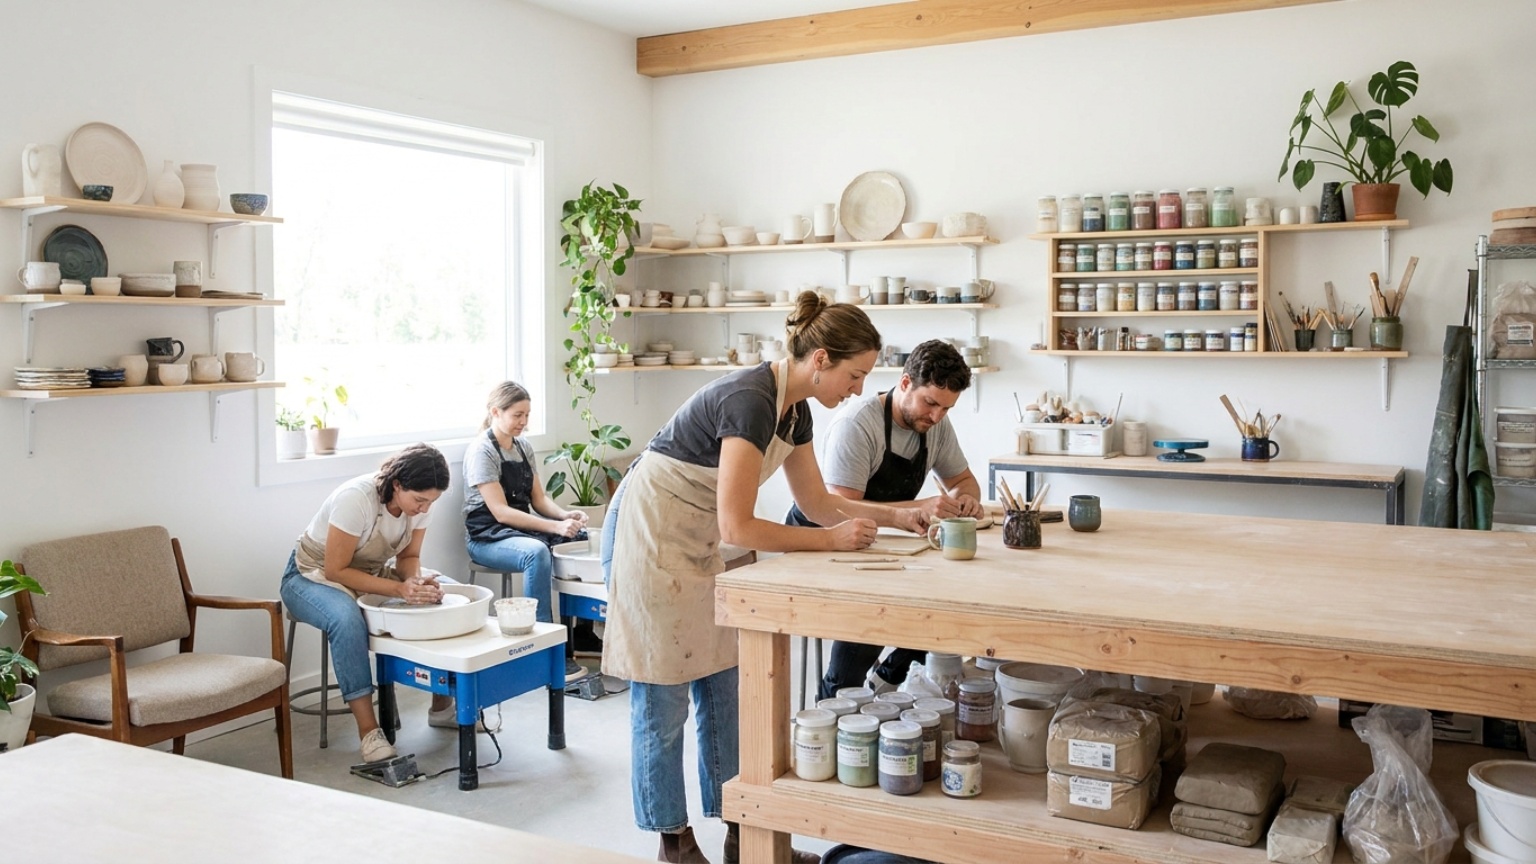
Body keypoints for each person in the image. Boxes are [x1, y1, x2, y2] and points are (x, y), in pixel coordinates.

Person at [601, 291, 929, 864]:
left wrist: (902, 516)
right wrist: (828, 541)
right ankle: (673, 844)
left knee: (726, 691)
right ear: (821, 359)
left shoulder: (794, 410)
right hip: (653, 532)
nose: (857, 390)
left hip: (704, 538)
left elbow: (821, 501)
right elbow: (742, 522)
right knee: (663, 699)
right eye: (854, 375)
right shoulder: (751, 400)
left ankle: (742, 836)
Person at [786, 339, 985, 700]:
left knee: (941, 609)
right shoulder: (857, 425)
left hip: (879, 538)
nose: (937, 416)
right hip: (824, 541)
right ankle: (835, 700)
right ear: (905, 384)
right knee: (869, 616)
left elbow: (963, 481)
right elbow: (839, 508)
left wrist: (965, 500)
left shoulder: (935, 424)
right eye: (931, 403)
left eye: (947, 408)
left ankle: (886, 680)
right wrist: (913, 510)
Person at [279, 443, 458, 765]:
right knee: (347, 620)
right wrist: (400, 589)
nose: (424, 508)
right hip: (310, 575)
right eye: (419, 500)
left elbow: (410, 557)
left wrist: (415, 583)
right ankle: (369, 732)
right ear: (398, 484)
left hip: (369, 571)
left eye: (431, 502)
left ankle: (442, 706)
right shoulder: (356, 498)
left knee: (445, 593)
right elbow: (336, 570)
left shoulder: (421, 504)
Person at [463, 381, 594, 684]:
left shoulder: (523, 446)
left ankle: (582, 634)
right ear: (496, 411)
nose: (523, 422)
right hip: (487, 536)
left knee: (581, 539)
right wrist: (553, 526)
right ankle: (544, 651)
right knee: (536, 553)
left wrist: (565, 516)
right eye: (517, 415)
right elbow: (501, 512)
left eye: (527, 415)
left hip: (519, 529)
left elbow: (539, 500)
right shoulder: (482, 451)